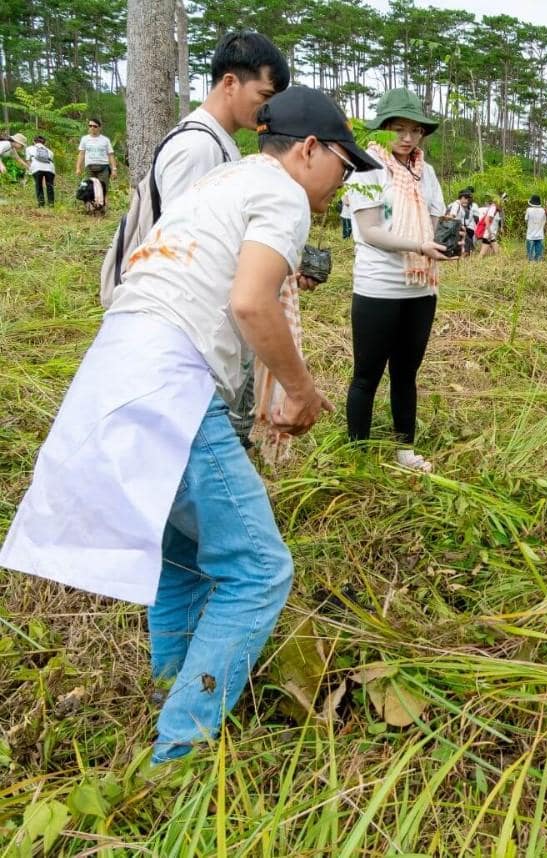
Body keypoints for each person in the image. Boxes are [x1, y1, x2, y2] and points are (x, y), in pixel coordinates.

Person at [0, 85, 377, 764]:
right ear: (311, 149)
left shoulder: (224, 179)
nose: (341, 185)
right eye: (343, 167)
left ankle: (170, 686)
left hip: (115, 369)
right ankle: (181, 748)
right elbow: (251, 304)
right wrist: (301, 390)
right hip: (171, 383)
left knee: (179, 561)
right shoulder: (285, 194)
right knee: (260, 570)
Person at [103, 30, 291, 447]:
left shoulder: (221, 146)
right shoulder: (198, 148)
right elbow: (184, 257)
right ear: (229, 83)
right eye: (263, 94)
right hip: (187, 340)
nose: (267, 109)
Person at [343, 88, 449, 473]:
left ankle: (405, 448)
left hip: (421, 287)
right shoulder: (367, 167)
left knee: (406, 373)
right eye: (398, 129)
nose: (407, 138)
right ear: (384, 129)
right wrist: (419, 244)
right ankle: (357, 453)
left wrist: (431, 244)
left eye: (414, 130)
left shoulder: (427, 173)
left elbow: (434, 220)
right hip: (378, 286)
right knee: (367, 375)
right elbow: (370, 230)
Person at [76, 118, 119, 201]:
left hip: (103, 167)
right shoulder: (85, 139)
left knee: (103, 188)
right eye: (90, 126)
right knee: (88, 188)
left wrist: (114, 169)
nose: (92, 128)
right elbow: (81, 154)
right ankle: (90, 208)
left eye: (95, 126)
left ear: (99, 128)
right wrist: (78, 167)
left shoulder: (105, 140)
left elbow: (110, 155)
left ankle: (103, 208)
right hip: (89, 167)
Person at [445, 187, 477, 256]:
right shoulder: (456, 204)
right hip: (454, 227)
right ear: (460, 198)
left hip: (459, 227)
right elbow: (452, 215)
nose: (466, 201)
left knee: (466, 244)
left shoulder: (462, 206)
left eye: (468, 199)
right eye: (465, 198)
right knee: (466, 244)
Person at [27, 135, 55, 206]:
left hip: (37, 168)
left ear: (34, 141)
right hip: (50, 169)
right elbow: (50, 161)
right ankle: (51, 203)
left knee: (38, 185)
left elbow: (28, 160)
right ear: (44, 143)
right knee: (49, 185)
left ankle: (41, 202)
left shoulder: (29, 148)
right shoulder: (50, 151)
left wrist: (30, 170)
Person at [524, 194, 546, 261]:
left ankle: (531, 268)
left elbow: (526, 220)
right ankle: (538, 266)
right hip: (540, 235)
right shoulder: (543, 210)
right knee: (539, 257)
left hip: (530, 235)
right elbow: (544, 222)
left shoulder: (528, 210)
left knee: (530, 257)